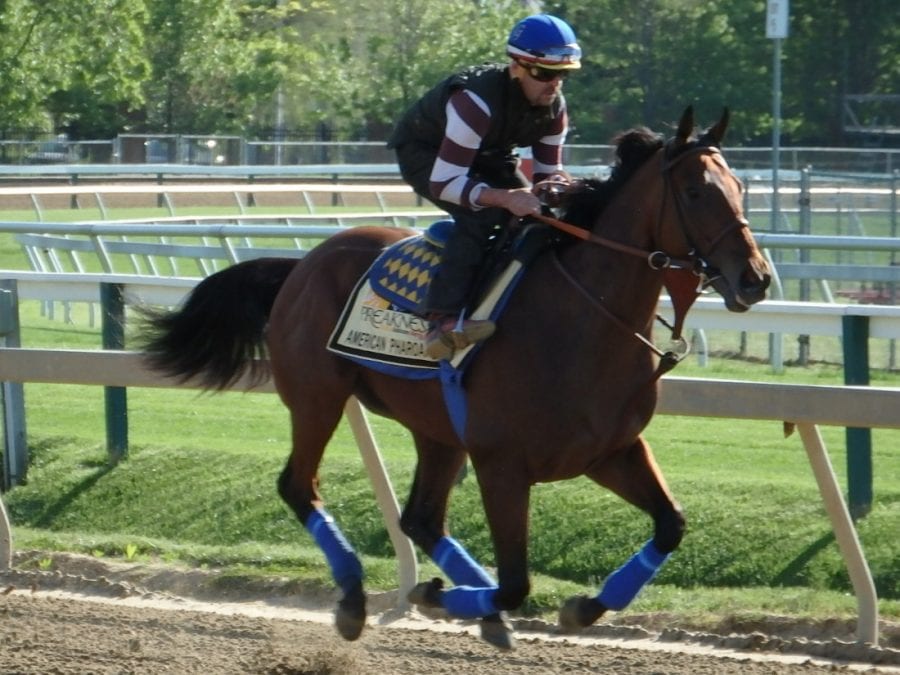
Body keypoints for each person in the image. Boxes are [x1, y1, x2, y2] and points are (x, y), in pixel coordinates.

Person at [387, 13, 581, 360]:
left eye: (563, 75)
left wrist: (560, 189)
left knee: (540, 218)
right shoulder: (473, 103)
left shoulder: (555, 108)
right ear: (517, 66)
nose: (554, 84)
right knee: (481, 215)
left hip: (488, 155)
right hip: (428, 155)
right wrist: (504, 197)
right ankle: (441, 319)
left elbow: (548, 176)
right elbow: (446, 183)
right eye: (544, 73)